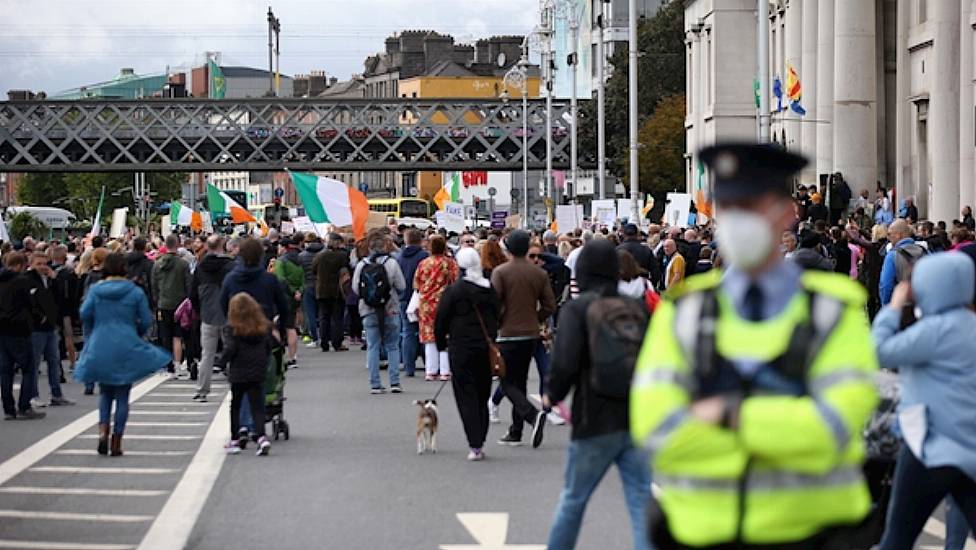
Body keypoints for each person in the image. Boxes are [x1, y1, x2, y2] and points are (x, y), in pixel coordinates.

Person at [631, 143, 879, 548]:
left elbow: (833, 430)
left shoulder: (833, 311)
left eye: (753, 205)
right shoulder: (685, 313)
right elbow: (657, 432)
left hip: (812, 534)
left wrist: (727, 414)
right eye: (729, 208)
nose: (738, 220)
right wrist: (786, 423)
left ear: (785, 213)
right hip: (703, 533)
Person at [545, 239, 651, 550]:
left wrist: (553, 394)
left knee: (574, 499)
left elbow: (565, 361)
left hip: (594, 417)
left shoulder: (578, 309)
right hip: (637, 417)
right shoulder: (637, 308)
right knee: (641, 499)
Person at [873, 254, 976, 548]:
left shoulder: (933, 330)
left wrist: (893, 307)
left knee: (897, 537)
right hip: (971, 447)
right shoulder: (971, 324)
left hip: (927, 448)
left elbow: (879, 350)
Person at [74, 253, 171, 455]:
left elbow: (84, 314)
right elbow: (145, 320)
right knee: (122, 395)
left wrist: (97, 326)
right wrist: (134, 330)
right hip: (126, 342)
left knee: (105, 393)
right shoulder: (134, 292)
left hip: (101, 342)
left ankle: (102, 432)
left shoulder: (95, 290)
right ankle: (117, 441)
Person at [491, 230, 555, 448]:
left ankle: (531, 415)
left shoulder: (501, 272)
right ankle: (515, 431)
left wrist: (498, 321)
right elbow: (550, 305)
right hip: (531, 333)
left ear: (508, 249)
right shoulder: (539, 274)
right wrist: (535, 317)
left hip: (508, 333)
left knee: (507, 381)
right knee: (519, 380)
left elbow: (494, 304)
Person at [434, 247, 499, 461]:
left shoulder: (454, 291)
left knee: (466, 396)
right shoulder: (489, 289)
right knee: (482, 394)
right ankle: (481, 436)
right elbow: (498, 314)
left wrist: (441, 343)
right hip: (484, 347)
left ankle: (475, 443)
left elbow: (441, 319)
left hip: (460, 347)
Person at [219, 292, 273, 457]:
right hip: (257, 370)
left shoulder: (232, 328)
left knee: (235, 405)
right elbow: (269, 346)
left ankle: (235, 439)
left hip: (239, 372)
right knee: (257, 407)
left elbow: (230, 349)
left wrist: (221, 362)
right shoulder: (262, 327)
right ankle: (261, 437)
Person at [353, 231, 406, 394]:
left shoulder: (362, 265)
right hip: (390, 309)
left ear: (369, 248)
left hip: (368, 309)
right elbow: (402, 286)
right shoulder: (391, 263)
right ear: (385, 246)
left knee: (373, 345)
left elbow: (356, 289)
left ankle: (375, 383)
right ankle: (394, 382)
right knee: (392, 346)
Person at [0, 252, 45, 420]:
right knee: (28, 368)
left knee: (5, 371)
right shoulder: (21, 282)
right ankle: (24, 406)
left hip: (2, 330)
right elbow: (31, 304)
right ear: (20, 265)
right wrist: (37, 317)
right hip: (19, 329)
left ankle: (8, 409)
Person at [26, 251, 74, 406]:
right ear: (31, 264)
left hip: (51, 326)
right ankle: (33, 395)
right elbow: (30, 302)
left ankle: (56, 394)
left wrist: (54, 280)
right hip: (36, 327)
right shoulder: (27, 280)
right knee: (34, 362)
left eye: (44, 264)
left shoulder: (50, 279)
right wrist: (40, 317)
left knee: (54, 360)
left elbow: (59, 298)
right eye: (38, 264)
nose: (42, 267)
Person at [189, 236, 234, 402]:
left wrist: (200, 311)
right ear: (223, 245)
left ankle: (202, 389)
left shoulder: (201, 268)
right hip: (228, 313)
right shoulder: (230, 266)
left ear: (207, 246)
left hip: (208, 314)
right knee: (231, 350)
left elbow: (192, 293)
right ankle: (234, 386)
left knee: (206, 354)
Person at [414, 235, 458, 382]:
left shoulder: (423, 263)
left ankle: (430, 370)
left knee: (429, 337)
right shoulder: (450, 263)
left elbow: (416, 284)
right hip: (445, 301)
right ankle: (445, 370)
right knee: (445, 335)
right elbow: (455, 280)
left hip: (426, 303)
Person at [152, 235, 192, 379]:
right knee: (177, 336)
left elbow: (154, 286)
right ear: (178, 244)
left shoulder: (157, 264)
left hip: (163, 303)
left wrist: (157, 302)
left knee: (165, 336)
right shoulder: (183, 264)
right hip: (179, 305)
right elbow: (189, 285)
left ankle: (168, 366)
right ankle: (177, 365)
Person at [397, 229, 429, 377]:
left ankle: (408, 367)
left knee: (407, 332)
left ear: (406, 240)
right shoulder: (424, 257)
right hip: (421, 297)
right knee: (424, 331)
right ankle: (429, 364)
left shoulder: (399, 257)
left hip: (404, 298)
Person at [312, 233, 350, 353]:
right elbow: (346, 271)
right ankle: (337, 342)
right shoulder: (342, 256)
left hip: (322, 289)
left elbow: (314, 270)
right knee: (337, 317)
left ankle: (324, 342)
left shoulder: (319, 256)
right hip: (337, 290)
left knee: (324, 316)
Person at [273, 235, 304, 367]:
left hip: (283, 297)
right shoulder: (299, 260)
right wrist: (299, 291)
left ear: (283, 248)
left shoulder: (280, 262)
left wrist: (291, 291)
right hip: (296, 296)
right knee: (290, 327)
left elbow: (280, 280)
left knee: (276, 327)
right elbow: (304, 279)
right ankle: (293, 357)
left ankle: (278, 357)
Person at [879, 218, 925, 306]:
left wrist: (887, 307)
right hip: (924, 306)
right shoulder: (924, 251)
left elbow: (885, 286)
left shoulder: (892, 255)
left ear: (898, 235)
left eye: (889, 234)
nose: (888, 237)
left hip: (903, 308)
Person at [297, 233, 323, 347]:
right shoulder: (323, 254)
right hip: (321, 285)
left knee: (310, 314)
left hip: (307, 285)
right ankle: (324, 336)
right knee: (323, 313)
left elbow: (300, 273)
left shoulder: (302, 256)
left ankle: (315, 338)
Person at [618, 224, 661, 288]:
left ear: (624, 234)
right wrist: (650, 284)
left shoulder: (618, 250)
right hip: (642, 286)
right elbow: (656, 271)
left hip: (622, 286)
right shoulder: (646, 250)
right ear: (637, 234)